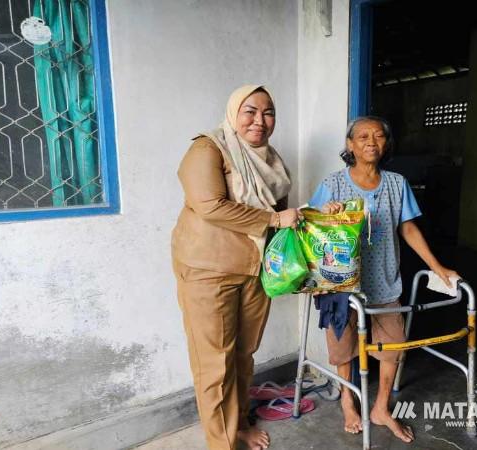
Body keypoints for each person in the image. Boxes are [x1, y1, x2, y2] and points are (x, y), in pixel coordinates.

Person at [308, 115, 460, 443]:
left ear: (386, 144)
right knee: (344, 347)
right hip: (343, 284)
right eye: (362, 136)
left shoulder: (396, 183)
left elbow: (407, 227)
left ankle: (381, 408)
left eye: (378, 136)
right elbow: (311, 228)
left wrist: (437, 266)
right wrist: (326, 216)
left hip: (385, 282)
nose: (371, 142)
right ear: (350, 145)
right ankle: (348, 402)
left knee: (393, 348)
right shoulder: (333, 184)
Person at [171, 85, 301, 450]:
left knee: (244, 353)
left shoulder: (270, 159)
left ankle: (239, 423)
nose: (259, 121)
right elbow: (209, 204)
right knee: (214, 361)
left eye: (268, 112)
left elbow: (284, 219)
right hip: (207, 269)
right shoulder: (208, 148)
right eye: (250, 111)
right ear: (233, 112)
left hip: (255, 269)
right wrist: (275, 219)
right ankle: (222, 443)